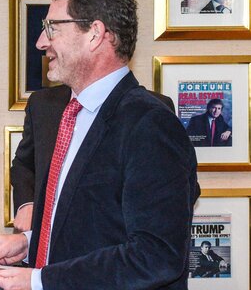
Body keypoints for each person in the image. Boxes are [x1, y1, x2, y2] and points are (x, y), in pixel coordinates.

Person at [0, 0, 205, 290]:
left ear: (95, 33)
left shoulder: (150, 123)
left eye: (52, 28)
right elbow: (93, 218)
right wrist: (29, 243)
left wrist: (42, 284)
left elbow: (155, 253)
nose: (42, 42)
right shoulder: (66, 116)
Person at [11, 88, 176, 232]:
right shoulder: (42, 103)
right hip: (42, 254)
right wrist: (27, 203)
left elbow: (177, 187)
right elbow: (24, 163)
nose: (43, 49)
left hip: (114, 257)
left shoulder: (152, 107)